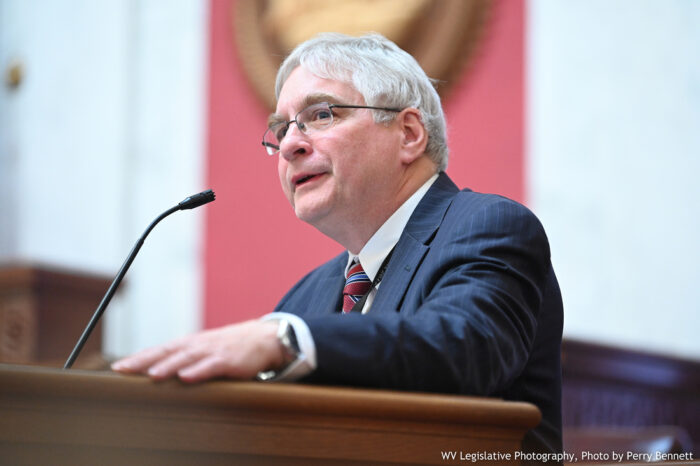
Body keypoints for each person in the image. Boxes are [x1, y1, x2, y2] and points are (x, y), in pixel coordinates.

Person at [112, 32, 563, 454]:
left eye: (320, 115)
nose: (289, 145)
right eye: (282, 128)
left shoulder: (490, 227)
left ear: (408, 134)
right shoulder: (306, 296)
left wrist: (287, 340)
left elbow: (461, 349)